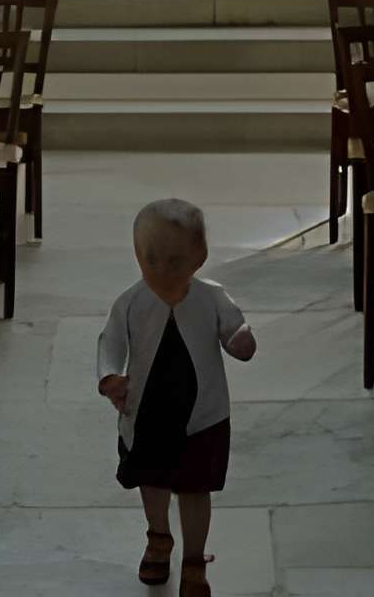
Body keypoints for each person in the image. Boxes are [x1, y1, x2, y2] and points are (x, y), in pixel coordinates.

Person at [97, 197, 256, 594]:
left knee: (195, 487)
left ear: (199, 258)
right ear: (137, 256)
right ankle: (158, 538)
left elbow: (235, 329)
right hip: (148, 410)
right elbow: (111, 342)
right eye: (151, 260)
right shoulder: (131, 302)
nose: (162, 271)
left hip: (203, 413)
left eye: (175, 261)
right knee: (151, 480)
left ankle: (194, 558)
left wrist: (240, 341)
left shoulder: (212, 297)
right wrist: (110, 376)